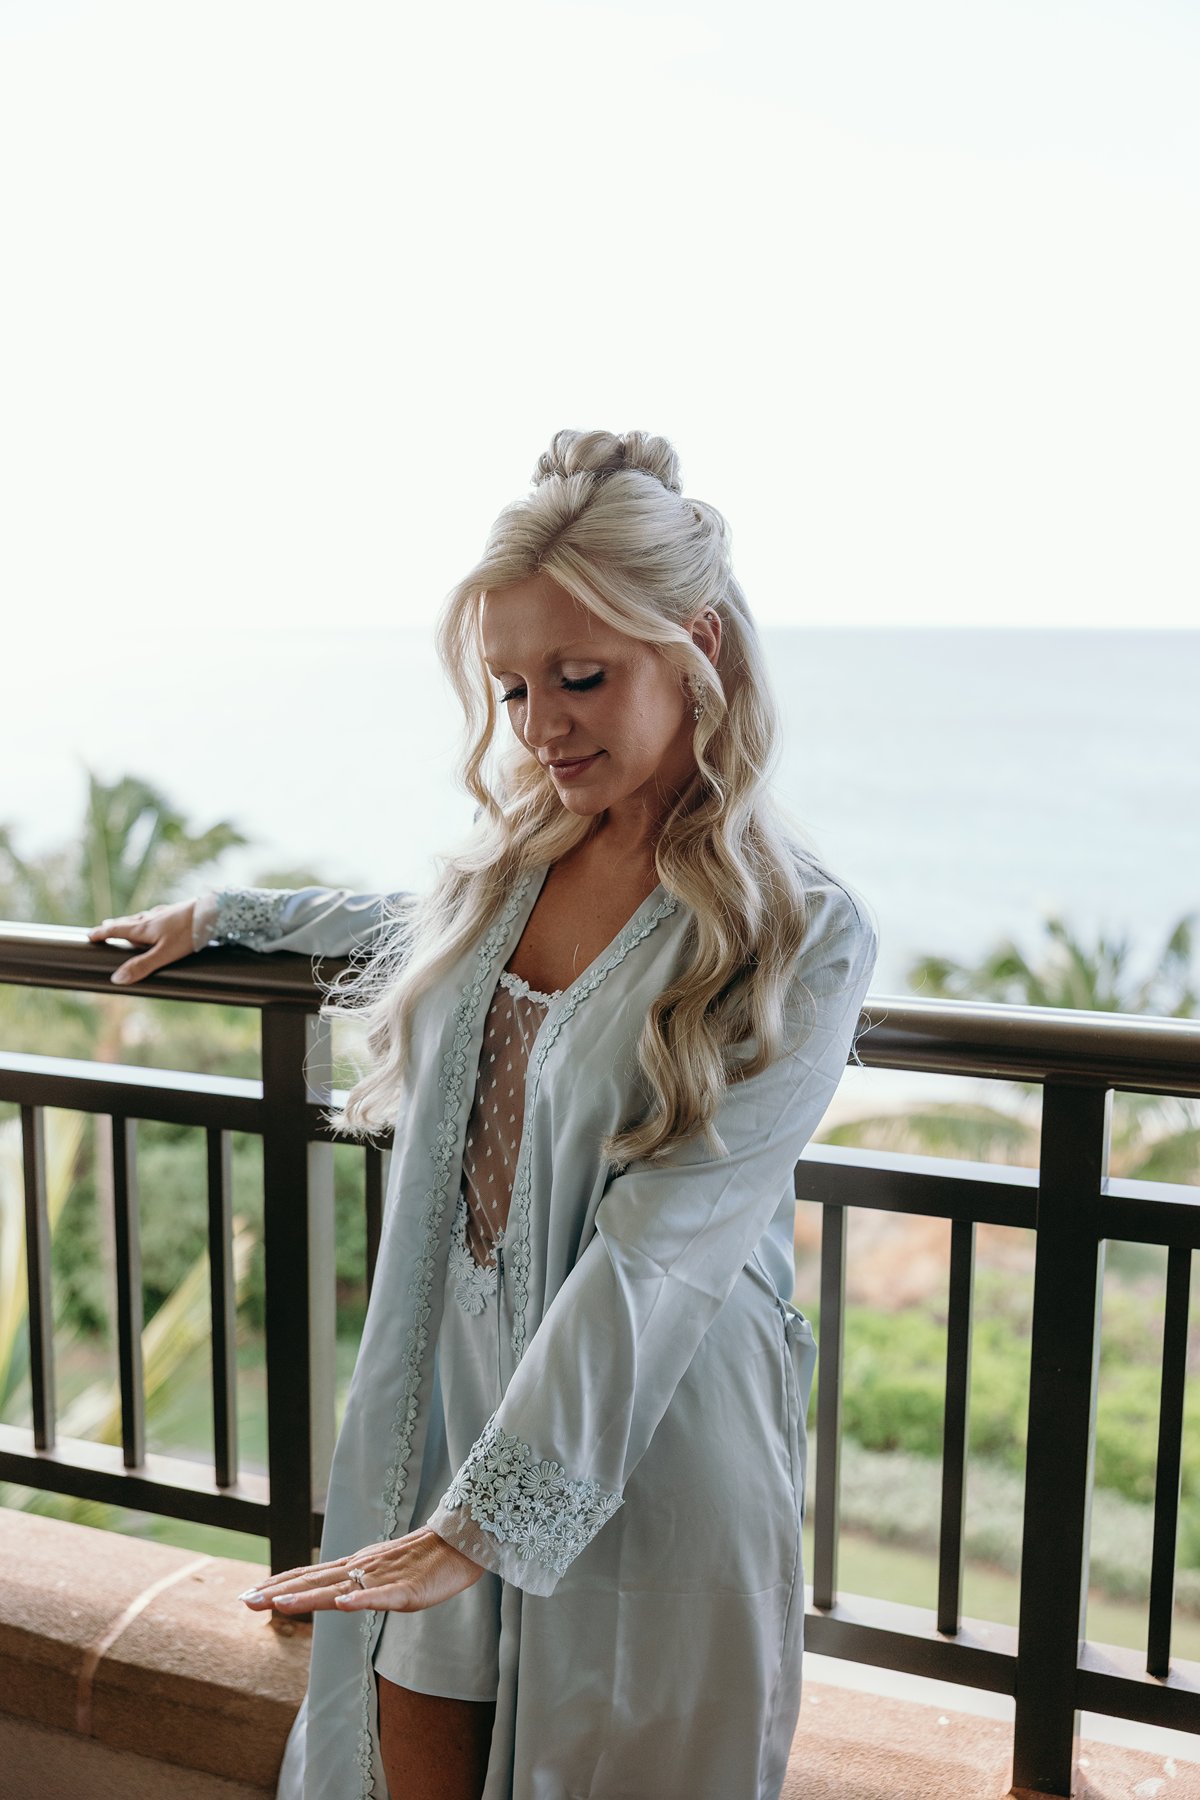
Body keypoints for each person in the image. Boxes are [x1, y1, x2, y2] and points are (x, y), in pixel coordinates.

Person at [87, 427, 877, 1800]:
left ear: (697, 647)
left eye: (582, 678)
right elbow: (405, 921)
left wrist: (486, 1523)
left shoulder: (797, 934)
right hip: (448, 1410)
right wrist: (227, 918)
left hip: (655, 1444)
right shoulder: (518, 867)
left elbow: (663, 1251)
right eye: (512, 689)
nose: (541, 726)